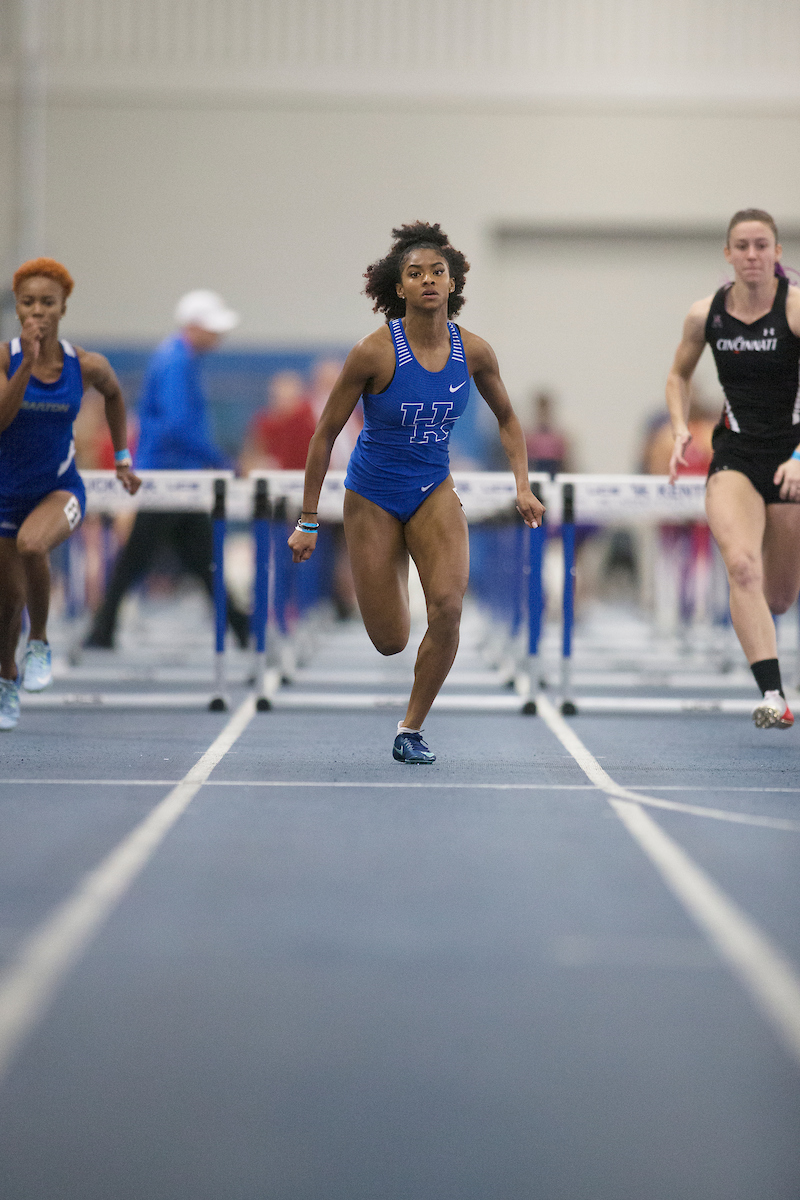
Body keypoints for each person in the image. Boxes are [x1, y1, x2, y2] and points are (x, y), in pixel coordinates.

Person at [288, 222, 544, 763]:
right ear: (398, 287)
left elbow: (508, 418)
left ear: (453, 283)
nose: (428, 280)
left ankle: (411, 728)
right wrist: (309, 519)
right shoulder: (373, 353)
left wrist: (523, 485)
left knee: (448, 609)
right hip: (373, 496)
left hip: (433, 490)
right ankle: (390, 571)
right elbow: (324, 435)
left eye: (437, 272)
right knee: (390, 639)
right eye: (415, 274)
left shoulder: (473, 351)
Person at [666, 207, 800, 729]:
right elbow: (678, 375)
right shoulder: (707, 314)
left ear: (777, 253)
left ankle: (766, 633)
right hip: (736, 455)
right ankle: (773, 694)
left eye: (761, 245)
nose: (751, 255)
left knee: (782, 596)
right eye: (742, 246)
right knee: (742, 566)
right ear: (728, 254)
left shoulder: (793, 309)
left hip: (791, 455)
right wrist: (680, 427)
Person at [0, 257, 140, 730]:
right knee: (6, 603)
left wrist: (122, 457)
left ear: (63, 308)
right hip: (6, 496)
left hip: (60, 488)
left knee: (33, 544)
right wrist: (28, 364)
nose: (37, 311)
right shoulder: (4, 359)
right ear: (17, 309)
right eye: (28, 303)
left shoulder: (86, 364)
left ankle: (39, 641)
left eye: (47, 302)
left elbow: (116, 394)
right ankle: (6, 677)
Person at [85, 289, 251, 650]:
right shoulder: (177, 361)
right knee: (147, 558)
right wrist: (220, 460)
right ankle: (101, 629)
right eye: (212, 328)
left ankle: (239, 624)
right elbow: (177, 425)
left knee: (196, 560)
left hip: (177, 475)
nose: (219, 335)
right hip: (169, 476)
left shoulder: (179, 358)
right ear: (193, 327)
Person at [239, 370, 317, 473]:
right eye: (279, 397)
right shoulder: (264, 423)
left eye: (289, 398)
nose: (284, 403)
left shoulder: (310, 422)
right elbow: (250, 459)